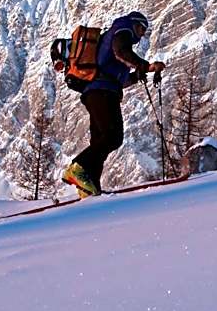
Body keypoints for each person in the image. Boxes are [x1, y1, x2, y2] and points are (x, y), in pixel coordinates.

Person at [62, 11, 165, 197]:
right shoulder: (122, 30)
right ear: (134, 23)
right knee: (113, 137)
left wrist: (144, 71)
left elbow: (122, 79)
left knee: (100, 140)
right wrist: (143, 64)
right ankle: (78, 167)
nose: (142, 34)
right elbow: (121, 52)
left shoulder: (117, 39)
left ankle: (89, 187)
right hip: (103, 92)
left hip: (97, 92)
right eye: (142, 28)